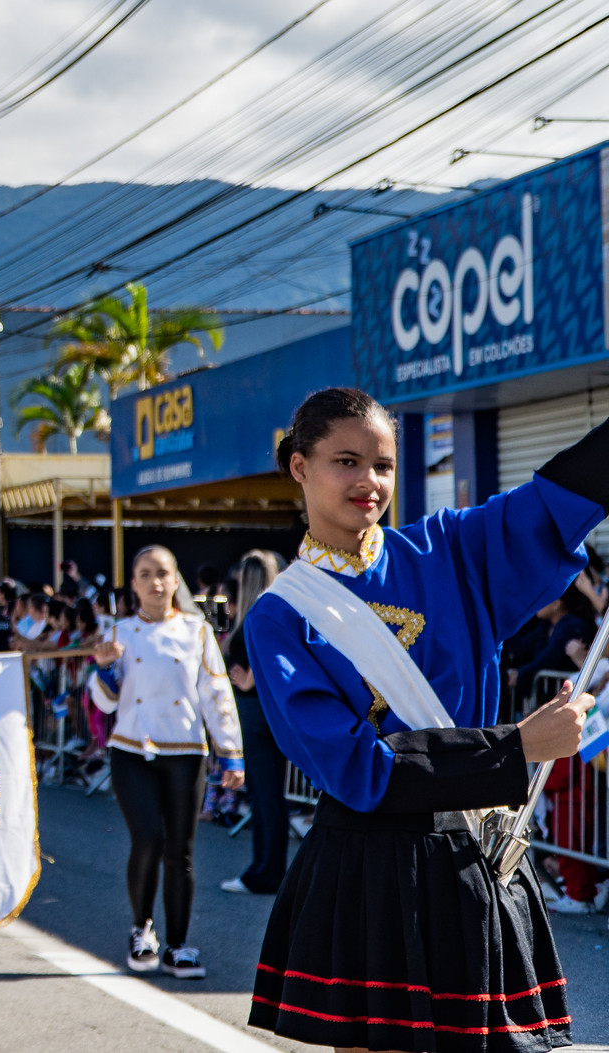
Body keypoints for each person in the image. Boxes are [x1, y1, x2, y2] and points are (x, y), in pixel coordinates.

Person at [244, 386, 603, 1050]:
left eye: (382, 465)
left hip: (472, 854)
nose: (369, 482)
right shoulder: (278, 616)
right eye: (345, 461)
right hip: (370, 869)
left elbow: (555, 503)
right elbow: (357, 768)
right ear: (300, 465)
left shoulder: (449, 549)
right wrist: (513, 748)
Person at [88, 545, 244, 980]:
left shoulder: (197, 632)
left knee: (182, 851)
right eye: (145, 574)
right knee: (148, 839)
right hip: (131, 749)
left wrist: (230, 751)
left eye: (163, 573)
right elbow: (103, 701)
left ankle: (179, 944)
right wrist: (102, 671)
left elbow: (216, 693)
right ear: (134, 583)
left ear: (176, 581)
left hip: (185, 752)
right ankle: (142, 930)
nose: (155, 582)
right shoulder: (119, 632)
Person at [219, 549, 288, 897]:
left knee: (266, 797)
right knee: (265, 797)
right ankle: (264, 870)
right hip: (260, 712)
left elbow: (280, 661)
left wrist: (252, 681)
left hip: (257, 713)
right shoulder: (267, 608)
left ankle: (266, 872)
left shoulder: (260, 611)